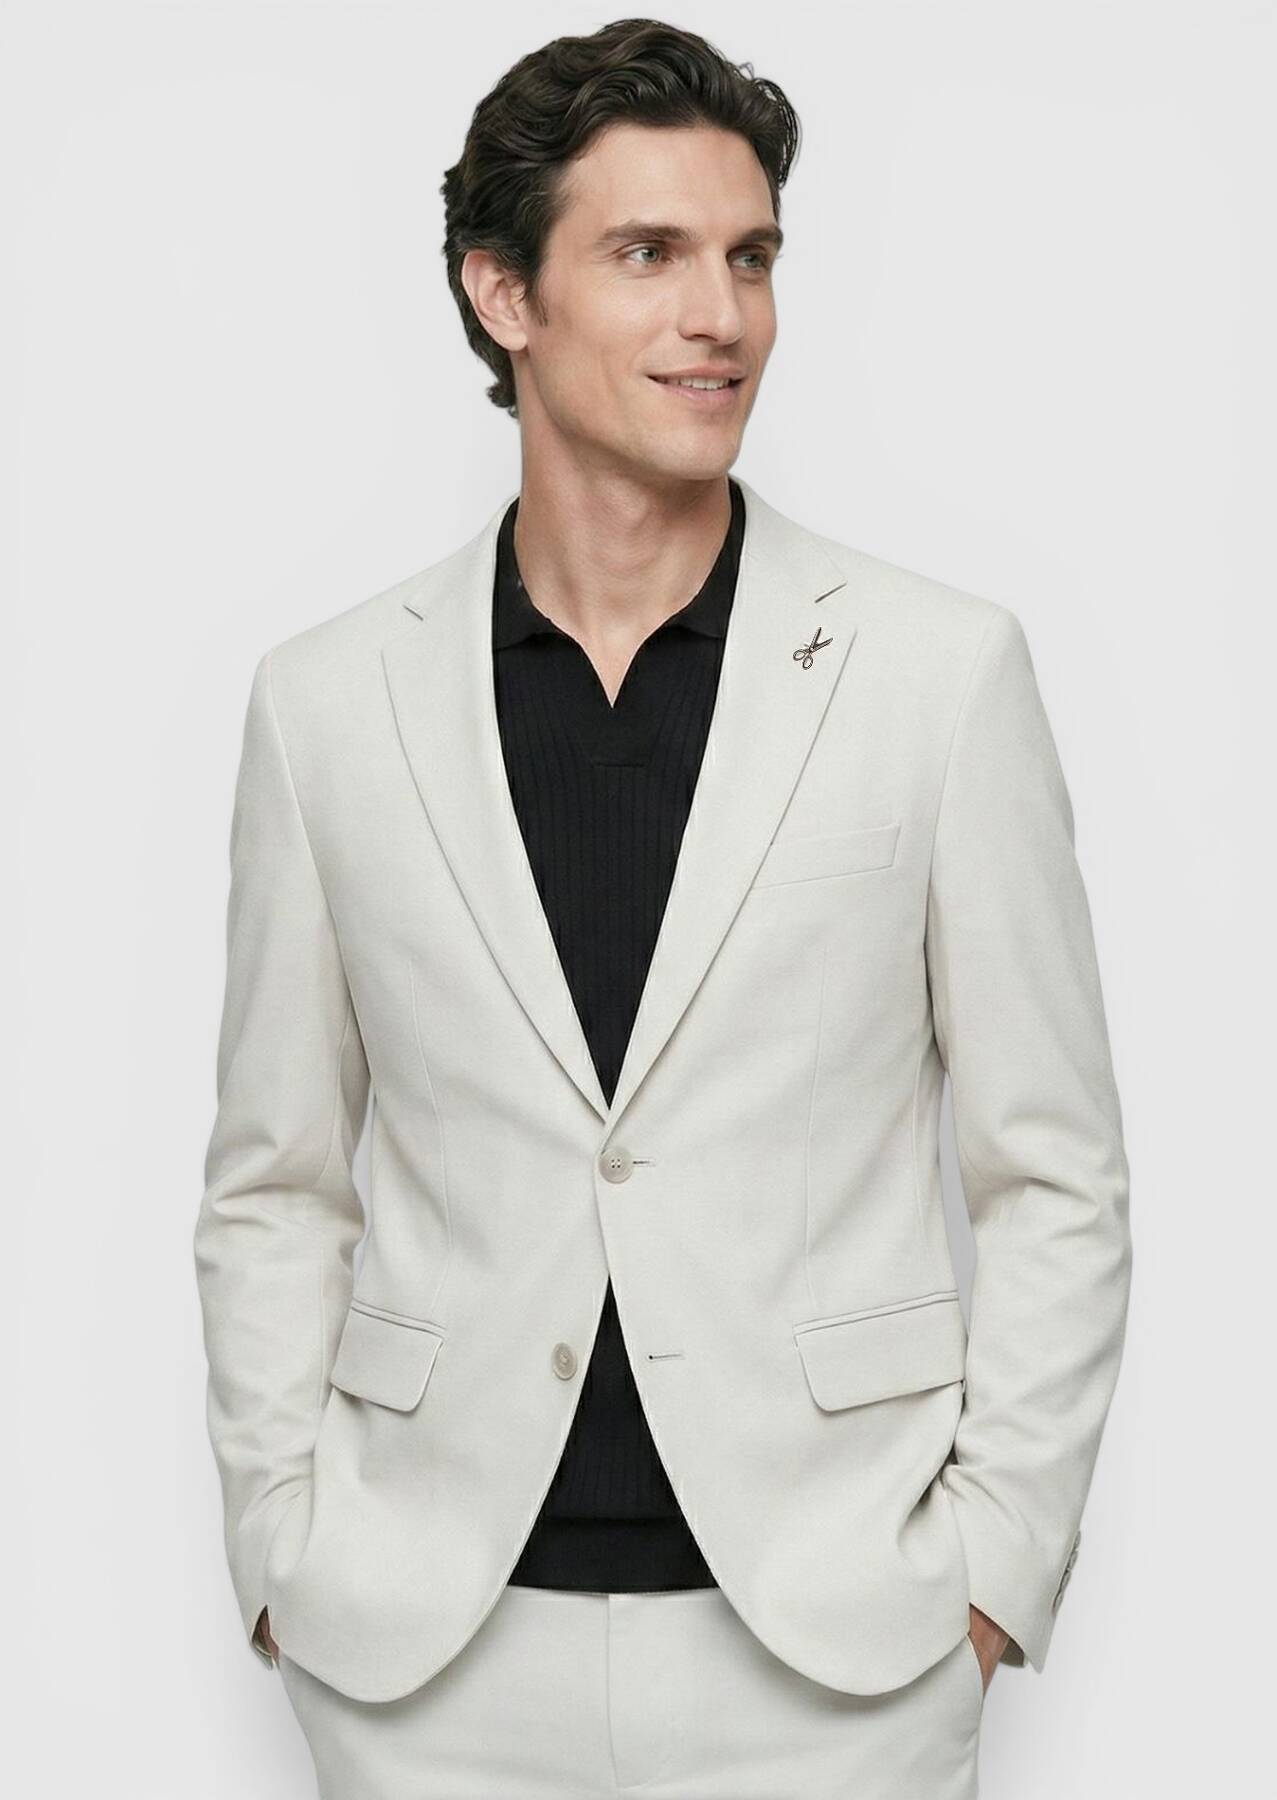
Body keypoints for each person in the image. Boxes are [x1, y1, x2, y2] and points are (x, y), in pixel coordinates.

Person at [193, 18, 1132, 1798]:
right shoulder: (325, 705)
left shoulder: (936, 675)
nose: (723, 316)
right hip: (422, 1657)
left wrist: (990, 1574)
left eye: (750, 257)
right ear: (502, 294)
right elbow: (274, 1179)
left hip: (838, 1653)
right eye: (648, 254)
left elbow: (1052, 1173)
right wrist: (281, 1553)